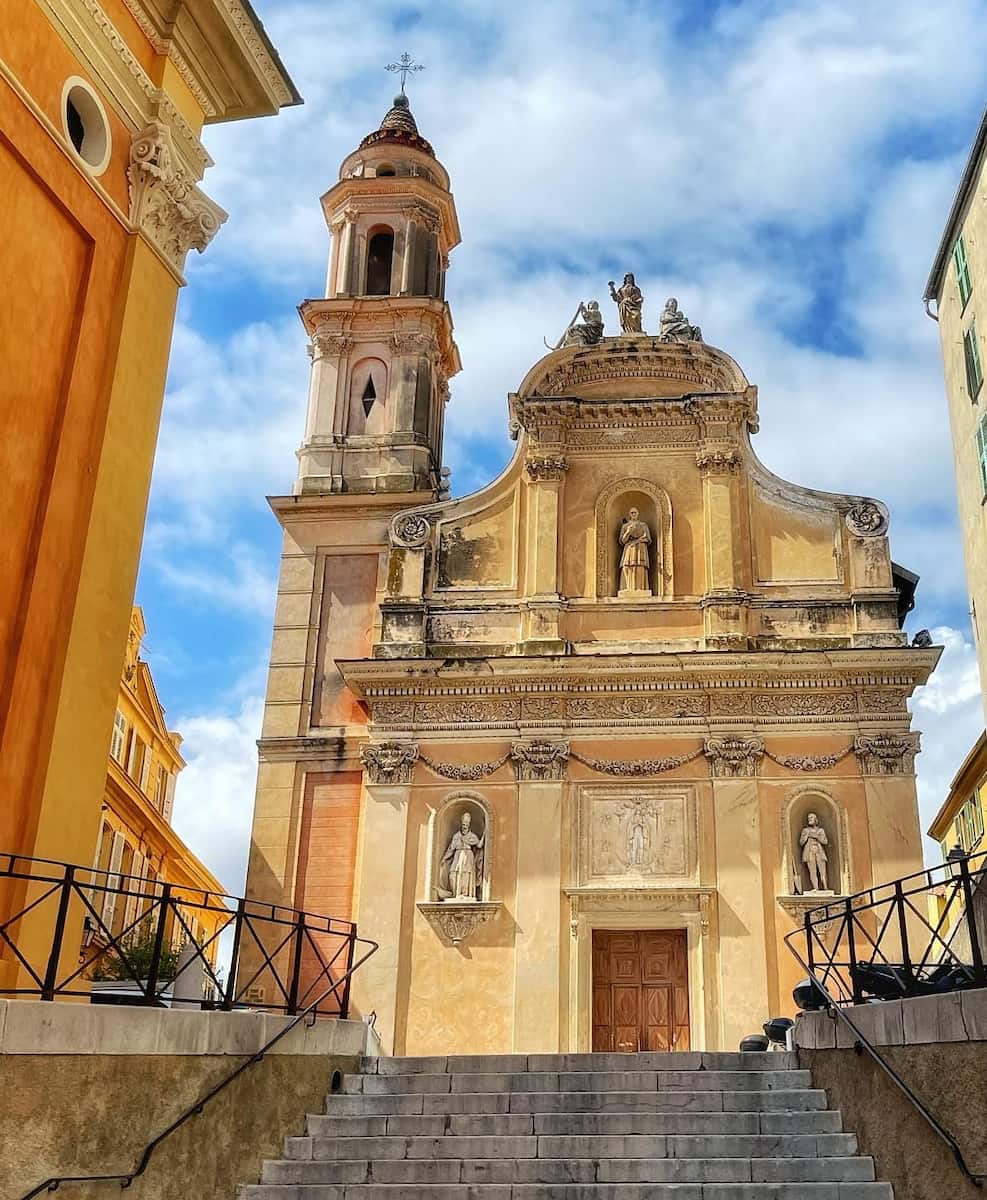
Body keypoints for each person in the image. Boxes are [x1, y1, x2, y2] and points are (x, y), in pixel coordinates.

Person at [439, 811, 484, 901]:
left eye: (466, 824)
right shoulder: (456, 836)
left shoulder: (472, 836)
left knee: (466, 874)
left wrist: (484, 834)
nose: (464, 826)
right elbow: (451, 849)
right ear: (461, 824)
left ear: (469, 825)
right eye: (463, 824)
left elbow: (479, 845)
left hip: (468, 856)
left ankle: (465, 894)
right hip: (457, 855)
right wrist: (444, 858)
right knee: (453, 873)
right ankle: (455, 894)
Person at [618, 508, 652, 594]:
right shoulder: (625, 526)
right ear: (629, 514)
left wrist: (641, 540)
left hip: (641, 548)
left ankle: (640, 588)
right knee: (627, 566)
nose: (634, 514)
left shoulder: (644, 525)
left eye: (635, 512)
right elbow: (622, 541)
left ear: (638, 513)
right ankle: (627, 587)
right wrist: (628, 532)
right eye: (632, 513)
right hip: (629, 548)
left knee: (639, 565)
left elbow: (648, 539)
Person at [799, 812, 829, 892]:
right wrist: (806, 836)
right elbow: (801, 842)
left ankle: (825, 887)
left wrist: (816, 836)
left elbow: (825, 841)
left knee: (822, 871)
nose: (809, 819)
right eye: (809, 818)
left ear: (815, 820)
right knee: (812, 871)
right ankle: (816, 888)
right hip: (809, 852)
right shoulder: (805, 830)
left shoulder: (820, 830)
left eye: (811, 818)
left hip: (819, 851)